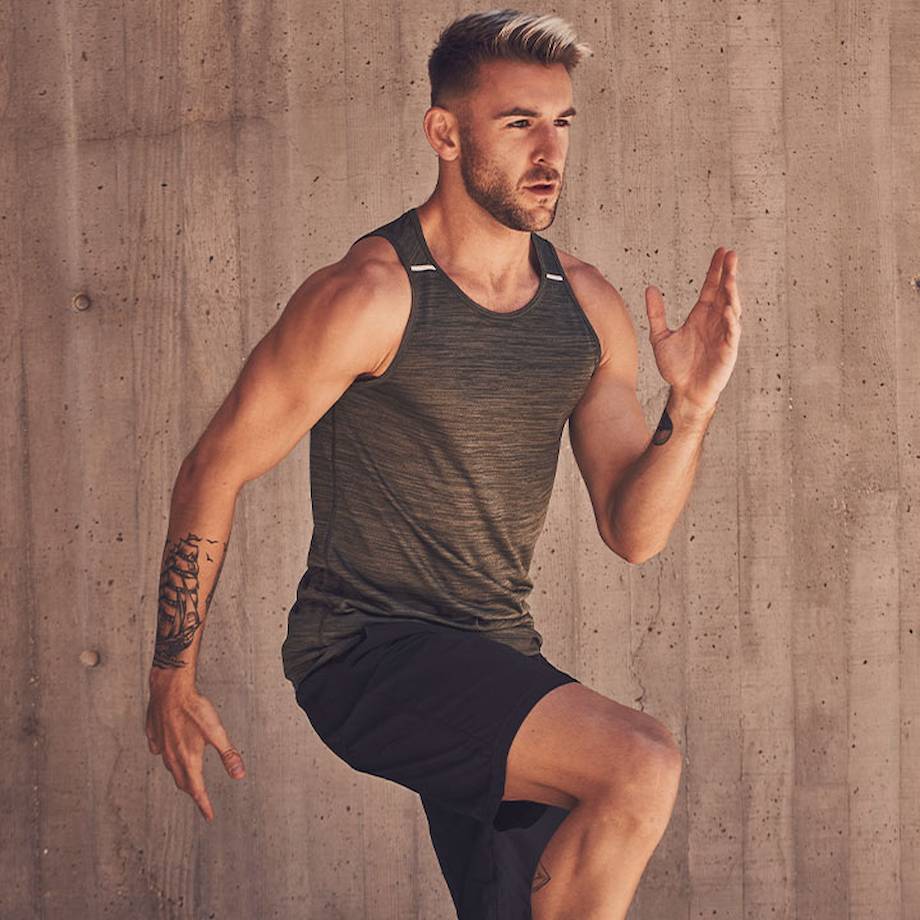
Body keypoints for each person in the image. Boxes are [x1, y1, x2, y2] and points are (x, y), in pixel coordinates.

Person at [144, 8, 742, 920]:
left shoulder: (583, 305)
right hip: (364, 652)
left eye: (562, 123)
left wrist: (689, 414)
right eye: (519, 123)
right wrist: (171, 678)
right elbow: (212, 469)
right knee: (639, 762)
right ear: (445, 133)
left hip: (497, 656)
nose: (550, 152)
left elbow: (634, 531)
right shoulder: (371, 296)